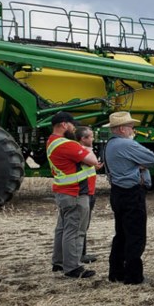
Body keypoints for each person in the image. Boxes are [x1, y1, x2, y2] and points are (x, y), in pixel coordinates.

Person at [103, 111, 154, 285]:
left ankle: (116, 272)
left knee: (121, 233)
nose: (133, 130)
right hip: (132, 193)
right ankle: (134, 276)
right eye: (131, 127)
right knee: (135, 235)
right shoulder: (125, 145)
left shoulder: (109, 145)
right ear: (122, 129)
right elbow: (152, 159)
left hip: (117, 192)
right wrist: (138, 164)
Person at [47, 111, 100, 279]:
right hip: (76, 193)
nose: (73, 128)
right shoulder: (67, 144)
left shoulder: (52, 141)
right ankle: (73, 268)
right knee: (75, 230)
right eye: (72, 125)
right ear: (64, 124)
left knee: (62, 229)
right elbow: (93, 161)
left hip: (64, 192)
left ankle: (59, 262)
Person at [74, 125, 99, 265]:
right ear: (83, 139)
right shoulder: (81, 151)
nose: (93, 138)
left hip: (89, 191)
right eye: (90, 136)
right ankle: (78, 256)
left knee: (83, 225)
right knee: (81, 226)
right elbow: (93, 161)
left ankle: (81, 253)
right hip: (85, 192)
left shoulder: (82, 150)